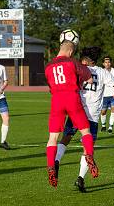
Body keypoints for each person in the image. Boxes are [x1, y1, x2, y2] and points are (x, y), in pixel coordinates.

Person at [54, 46, 114, 192]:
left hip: (76, 111)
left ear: (86, 59)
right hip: (92, 116)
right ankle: (80, 178)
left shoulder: (77, 68)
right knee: (87, 149)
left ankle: (56, 161)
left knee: (66, 138)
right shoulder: (102, 72)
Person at [44, 30, 98, 188]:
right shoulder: (73, 62)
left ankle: (51, 166)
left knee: (52, 138)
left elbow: (50, 87)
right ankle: (89, 156)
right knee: (85, 132)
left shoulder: (48, 66)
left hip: (57, 101)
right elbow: (88, 77)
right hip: (72, 98)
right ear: (71, 50)